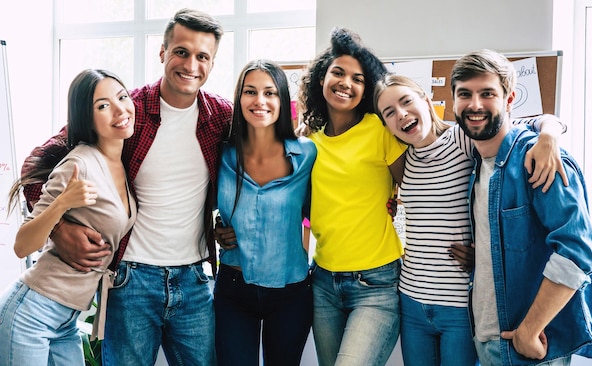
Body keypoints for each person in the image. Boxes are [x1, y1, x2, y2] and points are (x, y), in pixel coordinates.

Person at [19, 8, 233, 366]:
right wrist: (58, 228)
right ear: (162, 52)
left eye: (202, 56)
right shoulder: (127, 109)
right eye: (181, 51)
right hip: (131, 281)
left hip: (195, 281)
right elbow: (36, 163)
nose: (190, 64)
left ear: (212, 63)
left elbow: (256, 166)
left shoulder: (221, 117)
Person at [373, 74, 567, 366]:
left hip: (460, 306)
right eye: (389, 112)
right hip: (411, 301)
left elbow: (533, 123)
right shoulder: (404, 159)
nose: (401, 114)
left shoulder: (462, 138)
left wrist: (550, 134)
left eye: (406, 102)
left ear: (426, 101)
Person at [450, 49, 592, 366]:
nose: (475, 104)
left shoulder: (538, 160)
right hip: (487, 339)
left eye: (487, 93)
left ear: (509, 99)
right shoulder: (477, 163)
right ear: (453, 102)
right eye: (465, 94)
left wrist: (529, 332)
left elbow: (577, 251)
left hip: (526, 347)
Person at [0, 69, 136, 365]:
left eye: (122, 97)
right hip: (32, 316)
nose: (119, 109)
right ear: (85, 118)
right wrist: (62, 203)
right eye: (103, 105)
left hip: (65, 321)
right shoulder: (79, 163)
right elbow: (22, 245)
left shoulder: (119, 165)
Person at [297, 27, 407, 366]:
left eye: (358, 79)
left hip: (376, 282)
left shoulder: (381, 130)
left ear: (367, 89)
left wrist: (547, 128)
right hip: (324, 282)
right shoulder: (308, 139)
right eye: (338, 73)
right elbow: (299, 205)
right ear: (321, 78)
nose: (346, 82)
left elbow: (418, 185)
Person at [212, 59, 315, 365]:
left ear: (282, 99)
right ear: (239, 98)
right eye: (250, 92)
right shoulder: (223, 154)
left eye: (270, 92)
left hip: (291, 292)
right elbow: (194, 200)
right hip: (233, 289)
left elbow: (330, 202)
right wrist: (215, 227)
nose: (260, 101)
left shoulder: (307, 153)